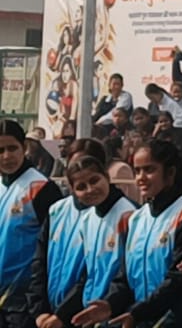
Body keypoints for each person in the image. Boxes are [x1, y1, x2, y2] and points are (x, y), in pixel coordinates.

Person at [71, 139, 182, 328]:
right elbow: (125, 277)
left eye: (149, 170)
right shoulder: (137, 219)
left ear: (170, 173)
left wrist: (138, 312)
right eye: (137, 170)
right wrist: (110, 303)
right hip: (142, 319)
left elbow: (179, 280)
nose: (141, 177)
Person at [32, 153, 134, 328]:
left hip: (113, 314)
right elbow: (86, 275)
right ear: (73, 191)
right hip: (87, 315)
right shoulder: (89, 219)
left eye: (94, 181)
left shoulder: (128, 215)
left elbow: (125, 275)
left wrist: (63, 314)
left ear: (107, 177)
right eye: (81, 186)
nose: (90, 189)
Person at [27, 139, 110, 324]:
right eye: (75, 166)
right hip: (48, 316)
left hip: (80, 317)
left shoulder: (111, 216)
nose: (81, 171)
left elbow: (92, 272)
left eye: (89, 165)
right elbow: (40, 262)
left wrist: (62, 315)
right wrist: (39, 310)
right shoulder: (57, 210)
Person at [0, 120, 63, 328]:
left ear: (24, 147)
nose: (7, 156)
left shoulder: (41, 188)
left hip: (23, 298)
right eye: (0, 150)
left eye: (12, 148)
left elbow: (53, 248)